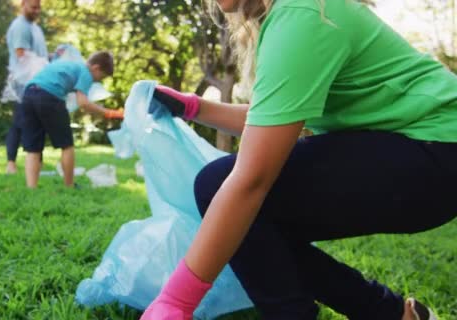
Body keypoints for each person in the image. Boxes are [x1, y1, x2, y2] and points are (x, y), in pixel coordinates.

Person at [141, 0, 457, 319]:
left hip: (436, 149)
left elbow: (253, 177)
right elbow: (276, 120)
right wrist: (195, 108)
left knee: (224, 191)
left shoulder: (303, 14)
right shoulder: (296, 14)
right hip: (429, 153)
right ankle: (391, 314)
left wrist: (175, 301)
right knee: (255, 222)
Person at [21, 51, 123, 189]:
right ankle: (69, 185)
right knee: (67, 145)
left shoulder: (69, 64)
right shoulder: (85, 72)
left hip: (29, 94)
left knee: (33, 147)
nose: (98, 81)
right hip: (50, 96)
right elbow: (83, 103)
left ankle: (31, 188)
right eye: (101, 77)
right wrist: (109, 113)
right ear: (96, 68)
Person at [4, 0, 48, 174]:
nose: (37, 11)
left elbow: (39, 55)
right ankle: (11, 164)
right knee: (19, 123)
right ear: (23, 4)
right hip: (23, 82)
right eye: (33, 7)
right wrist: (44, 65)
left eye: (39, 7)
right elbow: (21, 55)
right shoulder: (21, 26)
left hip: (36, 81)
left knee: (38, 122)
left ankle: (38, 162)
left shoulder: (35, 28)